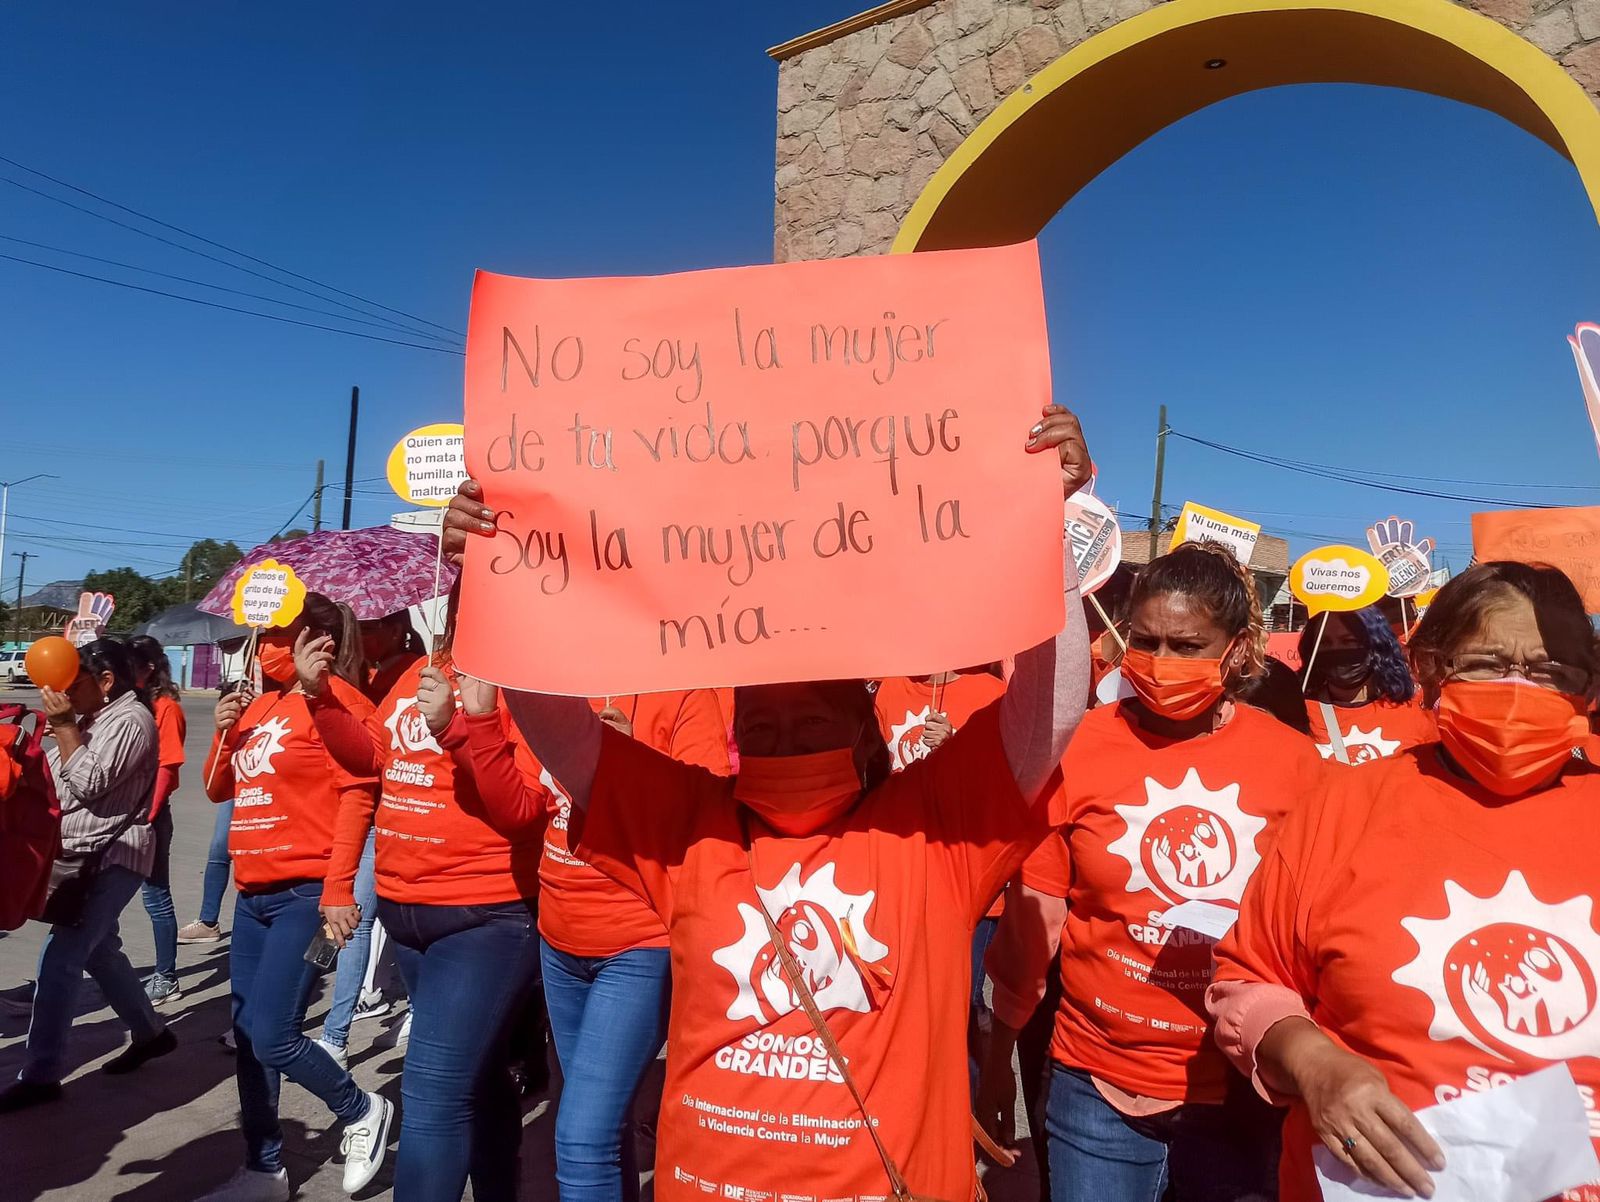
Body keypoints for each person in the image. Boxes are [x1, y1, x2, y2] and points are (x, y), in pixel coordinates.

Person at [439, 403, 1092, 1201]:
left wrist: (1043, 524)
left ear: (864, 732)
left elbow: (1047, 712)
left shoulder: (933, 834)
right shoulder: (689, 829)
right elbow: (558, 731)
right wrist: (499, 574)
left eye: (814, 721)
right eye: (766, 725)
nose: (787, 742)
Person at [1210, 561, 1600, 1202]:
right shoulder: (1343, 808)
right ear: (1429, 667)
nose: (1516, 687)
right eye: (1487, 662)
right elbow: (1249, 980)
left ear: (1587, 687)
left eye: (1548, 670)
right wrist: (1315, 1065)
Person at [978, 541, 1328, 1202]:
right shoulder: (1076, 746)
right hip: (1096, 1088)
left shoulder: (1296, 766)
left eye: (1187, 645)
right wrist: (998, 1064)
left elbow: (1320, 928)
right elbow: (1032, 932)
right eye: (1146, 641)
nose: (1161, 663)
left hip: (1242, 1094)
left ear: (1239, 649)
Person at [294, 595, 548, 1202]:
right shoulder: (421, 670)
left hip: (483, 918)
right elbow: (373, 761)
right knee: (478, 1079)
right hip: (407, 918)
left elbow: (521, 812)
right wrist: (321, 698)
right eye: (462, 603)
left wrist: (459, 730)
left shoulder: (529, 682)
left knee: (432, 1090)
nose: (465, 616)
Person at [197, 594, 392, 1202]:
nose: (266, 646)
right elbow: (214, 790)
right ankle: (264, 1168)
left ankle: (361, 1108)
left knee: (272, 1032)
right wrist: (227, 734)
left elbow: (365, 786)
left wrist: (338, 889)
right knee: (247, 1036)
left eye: (280, 635)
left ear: (319, 641)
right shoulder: (258, 706)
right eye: (264, 635)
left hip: (306, 897)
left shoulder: (340, 701)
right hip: (252, 898)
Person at [530, 689, 729, 1201]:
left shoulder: (685, 691)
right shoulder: (561, 682)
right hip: (559, 936)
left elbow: (707, 812)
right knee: (603, 1131)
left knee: (580, 1139)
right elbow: (523, 805)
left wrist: (629, 759)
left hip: (639, 941)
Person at [0, 639, 176, 1113]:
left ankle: (41, 1073)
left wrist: (60, 727)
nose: (59, 690)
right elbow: (55, 787)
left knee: (60, 960)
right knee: (101, 954)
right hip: (81, 854)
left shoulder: (131, 721)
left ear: (104, 681)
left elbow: (91, 784)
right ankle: (151, 1032)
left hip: (111, 857)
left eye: (71, 682)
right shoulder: (89, 719)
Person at [874, 667, 1008, 1093]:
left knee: (958, 1004)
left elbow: (1009, 785)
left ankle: (968, 1111)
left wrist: (956, 749)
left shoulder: (989, 693)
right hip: (899, 873)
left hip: (968, 881)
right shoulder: (888, 689)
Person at [128, 634, 187, 1004]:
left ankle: (166, 978)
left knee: (156, 898)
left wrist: (146, 815)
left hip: (147, 818)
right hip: (120, 815)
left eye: (129, 666)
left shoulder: (166, 707)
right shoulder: (128, 703)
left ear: (149, 669)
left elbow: (168, 767)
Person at [1298, 607, 1434, 763]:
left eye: (1348, 641)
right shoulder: (1300, 715)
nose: (1337, 650)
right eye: (1325, 642)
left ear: (1375, 647)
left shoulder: (1415, 711)